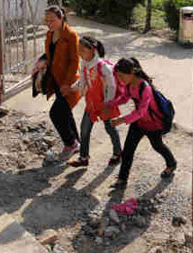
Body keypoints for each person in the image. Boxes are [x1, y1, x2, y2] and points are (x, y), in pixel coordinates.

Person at [104, 57, 177, 189]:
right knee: (127, 151)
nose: (120, 79)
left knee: (158, 146)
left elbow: (141, 112)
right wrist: (110, 104)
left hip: (153, 125)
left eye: (121, 76)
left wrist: (121, 120)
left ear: (132, 72)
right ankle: (122, 180)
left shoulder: (145, 88)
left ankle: (171, 164)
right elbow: (124, 98)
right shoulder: (129, 85)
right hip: (138, 123)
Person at [32, 5, 81, 160]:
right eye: (46, 20)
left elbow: (74, 62)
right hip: (56, 81)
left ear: (61, 18)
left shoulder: (71, 36)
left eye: (52, 20)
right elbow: (49, 53)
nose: (49, 23)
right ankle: (78, 143)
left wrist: (67, 84)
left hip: (69, 83)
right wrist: (42, 61)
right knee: (65, 113)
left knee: (56, 113)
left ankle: (70, 144)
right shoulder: (49, 34)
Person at [67, 35, 123, 168]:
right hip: (91, 104)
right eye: (78, 50)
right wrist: (72, 88)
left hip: (104, 104)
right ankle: (83, 157)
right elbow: (82, 81)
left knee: (110, 128)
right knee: (84, 130)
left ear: (93, 50)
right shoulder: (85, 64)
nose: (80, 54)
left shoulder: (103, 67)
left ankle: (118, 153)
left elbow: (112, 86)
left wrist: (108, 105)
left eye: (83, 51)